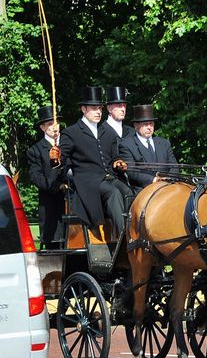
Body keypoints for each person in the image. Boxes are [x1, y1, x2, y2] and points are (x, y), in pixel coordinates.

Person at [52, 86, 131, 237]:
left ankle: (134, 232)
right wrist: (55, 158)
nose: (98, 112)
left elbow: (114, 156)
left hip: (108, 177)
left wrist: (117, 162)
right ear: (83, 109)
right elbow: (61, 160)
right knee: (113, 193)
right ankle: (125, 237)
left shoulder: (107, 132)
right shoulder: (71, 132)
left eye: (100, 108)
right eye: (94, 109)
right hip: (87, 182)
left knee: (129, 192)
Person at [26, 105, 67, 248]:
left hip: (73, 205)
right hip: (52, 208)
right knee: (55, 247)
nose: (55, 127)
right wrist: (58, 186)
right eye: (50, 124)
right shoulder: (35, 150)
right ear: (42, 127)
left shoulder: (69, 144)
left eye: (56, 123)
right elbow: (36, 177)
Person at [119, 104, 178, 193]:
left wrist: (168, 179)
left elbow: (174, 166)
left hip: (168, 187)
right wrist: (154, 180)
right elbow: (131, 172)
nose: (149, 127)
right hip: (143, 189)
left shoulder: (164, 143)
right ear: (136, 125)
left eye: (151, 124)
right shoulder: (127, 145)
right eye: (145, 124)